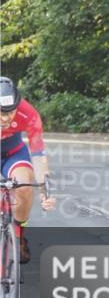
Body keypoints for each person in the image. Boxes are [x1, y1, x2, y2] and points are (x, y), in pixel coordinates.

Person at [0, 76, 53, 263]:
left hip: (14, 153)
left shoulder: (28, 114)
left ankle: (19, 236)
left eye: (9, 112)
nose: (5, 119)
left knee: (23, 187)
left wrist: (44, 189)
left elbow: (38, 153)